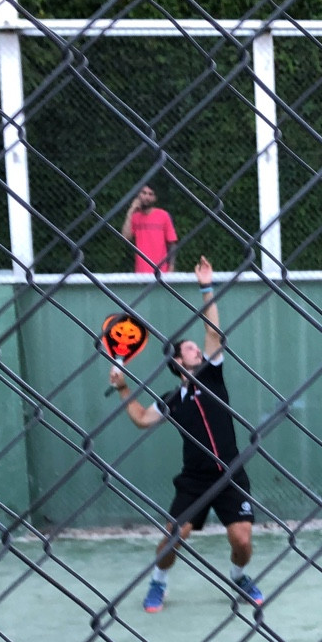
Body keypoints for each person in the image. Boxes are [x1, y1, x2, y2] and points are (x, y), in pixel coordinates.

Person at [109, 254, 263, 613]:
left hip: (230, 473)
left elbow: (213, 333)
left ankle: (238, 576)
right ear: (178, 362)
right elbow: (142, 419)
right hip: (195, 480)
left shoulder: (212, 376)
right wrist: (123, 388)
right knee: (173, 537)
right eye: (192, 349)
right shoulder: (171, 401)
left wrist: (206, 286)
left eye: (198, 348)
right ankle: (158, 583)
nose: (199, 349)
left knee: (242, 540)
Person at [122, 184, 177, 274]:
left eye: (150, 194)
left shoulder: (163, 215)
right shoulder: (134, 217)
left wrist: (171, 267)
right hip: (141, 271)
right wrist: (131, 211)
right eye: (144, 193)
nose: (147, 197)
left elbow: (172, 244)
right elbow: (125, 237)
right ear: (138, 195)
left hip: (161, 271)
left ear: (155, 198)